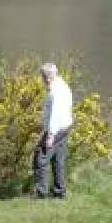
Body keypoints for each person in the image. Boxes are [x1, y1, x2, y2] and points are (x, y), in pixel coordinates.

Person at [35, 62, 73, 199]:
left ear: (47, 77)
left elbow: (55, 115)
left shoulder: (55, 92)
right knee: (58, 160)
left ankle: (41, 193)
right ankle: (59, 192)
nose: (41, 80)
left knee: (41, 158)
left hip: (56, 130)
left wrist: (50, 135)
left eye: (42, 77)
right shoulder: (63, 86)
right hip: (65, 128)